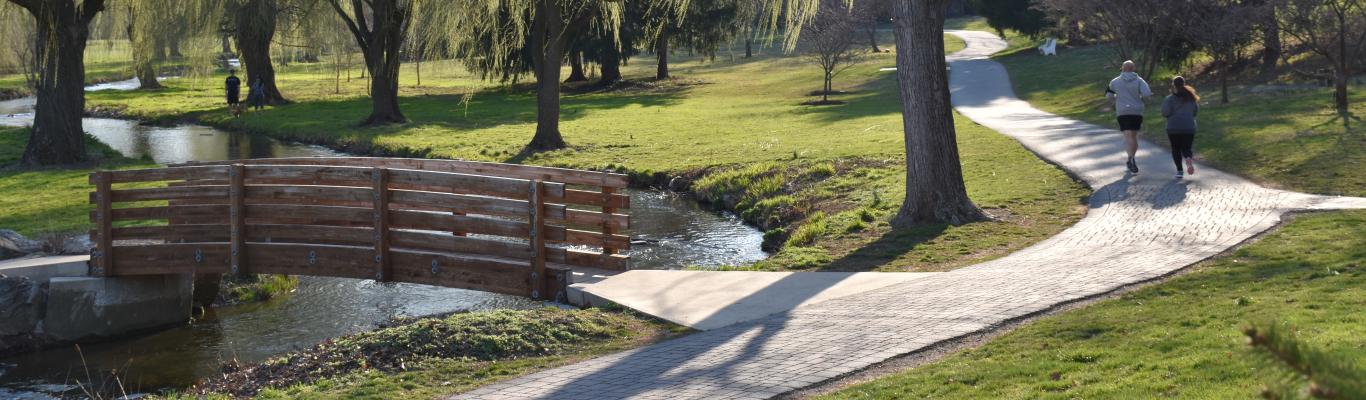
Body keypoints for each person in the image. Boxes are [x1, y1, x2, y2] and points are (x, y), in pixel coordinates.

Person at [1106, 60, 1153, 173]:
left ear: (1122, 68)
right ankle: (1131, 158)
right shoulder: (1140, 81)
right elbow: (1147, 94)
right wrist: (1142, 100)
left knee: (1127, 136)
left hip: (1122, 110)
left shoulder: (1115, 81)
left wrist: (1115, 101)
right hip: (1136, 111)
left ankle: (1130, 158)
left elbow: (1108, 96)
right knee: (1133, 136)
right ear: (1133, 69)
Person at [1162, 76, 1200, 179]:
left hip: (1173, 127)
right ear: (1184, 83)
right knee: (1187, 148)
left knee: (1176, 149)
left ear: (1173, 85)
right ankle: (1188, 159)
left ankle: (1179, 171)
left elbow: (1165, 113)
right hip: (1189, 126)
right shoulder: (1191, 98)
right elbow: (1195, 112)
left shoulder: (1169, 99)